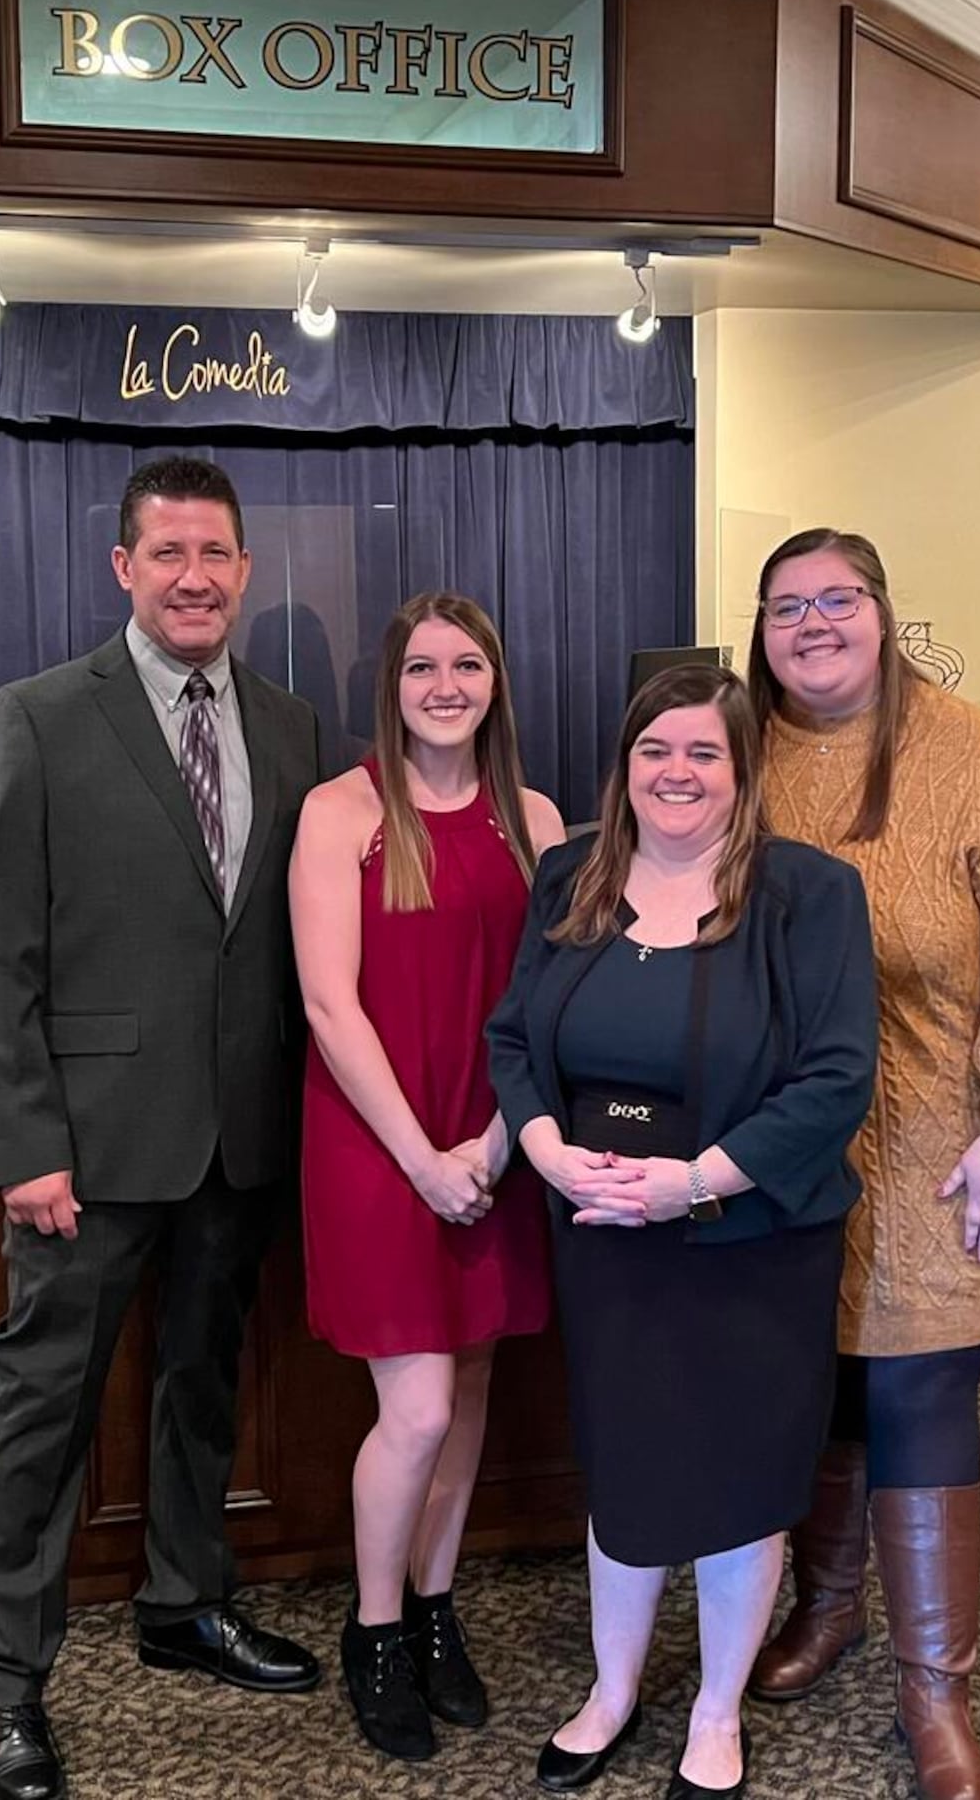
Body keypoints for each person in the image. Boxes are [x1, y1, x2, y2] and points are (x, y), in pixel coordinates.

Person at [0, 455, 323, 1800]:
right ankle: (10, 1682)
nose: (194, 576)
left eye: (216, 552)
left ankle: (184, 1601)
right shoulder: (40, 717)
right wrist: (22, 1142)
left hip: (240, 1133)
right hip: (87, 1149)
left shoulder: (290, 725)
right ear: (123, 566)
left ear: (244, 567)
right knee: (43, 1408)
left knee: (202, 1380)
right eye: (167, 552)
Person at [744, 529, 980, 1800]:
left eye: (839, 599)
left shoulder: (977, 757)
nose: (815, 623)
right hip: (783, 1149)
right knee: (825, 1391)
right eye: (788, 605)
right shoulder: (737, 753)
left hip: (944, 1151)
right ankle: (830, 1605)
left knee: (918, 1395)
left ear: (885, 613)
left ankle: (932, 1688)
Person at [485, 663, 878, 1800]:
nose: (676, 772)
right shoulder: (571, 874)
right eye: (655, 750)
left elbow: (834, 1078)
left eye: (704, 752)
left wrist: (694, 1182)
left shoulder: (808, 894)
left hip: (747, 1238)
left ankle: (713, 1709)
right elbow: (513, 1036)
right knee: (628, 1466)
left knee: (737, 1477)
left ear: (744, 772)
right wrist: (548, 1149)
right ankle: (611, 1692)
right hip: (604, 1229)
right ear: (624, 764)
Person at [290, 592, 566, 1762]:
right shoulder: (340, 811)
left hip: (493, 1142)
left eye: (465, 664)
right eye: (419, 668)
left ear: (495, 681)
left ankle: (439, 1606)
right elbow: (325, 1003)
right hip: (377, 1140)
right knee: (416, 1406)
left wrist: (493, 1150)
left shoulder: (538, 820)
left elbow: (555, 1003)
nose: (443, 685)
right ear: (389, 686)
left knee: (470, 1387)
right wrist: (422, 1158)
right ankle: (377, 1628)